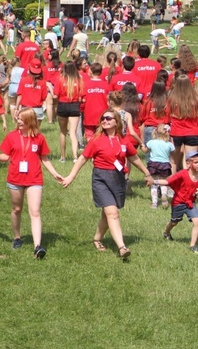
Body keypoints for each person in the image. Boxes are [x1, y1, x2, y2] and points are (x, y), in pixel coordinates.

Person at [61, 109, 153, 259]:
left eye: (109, 118)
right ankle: (122, 247)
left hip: (118, 179)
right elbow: (83, 159)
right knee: (112, 213)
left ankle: (97, 238)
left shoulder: (123, 140)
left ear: (117, 121)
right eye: (103, 118)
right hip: (101, 178)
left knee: (107, 214)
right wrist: (70, 177)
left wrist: (147, 173)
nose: (105, 120)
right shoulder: (96, 139)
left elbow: (134, 158)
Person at [0, 108, 63, 259]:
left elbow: (44, 158)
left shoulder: (39, 138)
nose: (18, 121)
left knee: (35, 211)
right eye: (18, 118)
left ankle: (37, 246)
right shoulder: (11, 137)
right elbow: (6, 156)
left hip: (34, 179)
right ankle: (17, 237)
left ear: (30, 121)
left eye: (22, 119)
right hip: (15, 178)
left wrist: (55, 173)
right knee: (17, 209)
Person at [154, 150, 198, 253]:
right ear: (188, 164)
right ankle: (166, 232)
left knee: (197, 222)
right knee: (174, 222)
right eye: (196, 162)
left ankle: (192, 245)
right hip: (178, 203)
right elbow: (167, 181)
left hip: (190, 203)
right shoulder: (183, 173)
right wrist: (154, 181)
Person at [142, 123, 175, 209]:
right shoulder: (169, 144)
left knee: (153, 183)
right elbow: (174, 152)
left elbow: (145, 151)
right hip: (165, 165)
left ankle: (154, 203)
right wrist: (172, 142)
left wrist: (142, 146)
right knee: (163, 182)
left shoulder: (151, 142)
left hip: (153, 164)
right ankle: (164, 194)